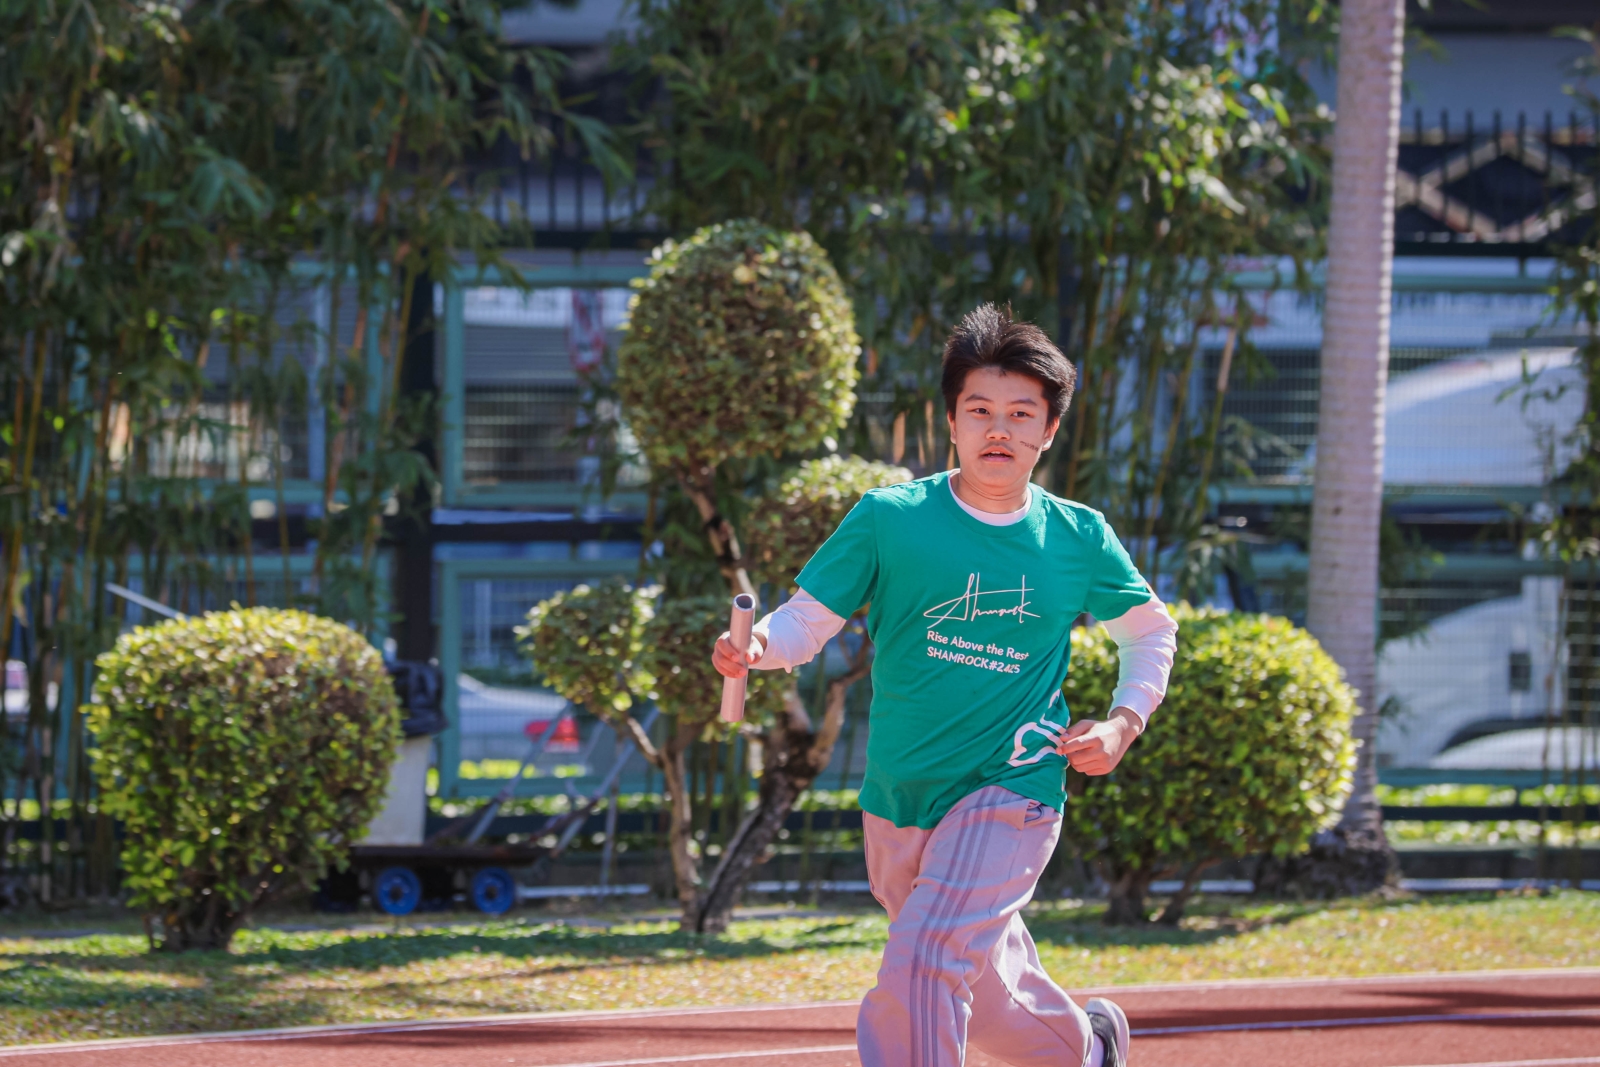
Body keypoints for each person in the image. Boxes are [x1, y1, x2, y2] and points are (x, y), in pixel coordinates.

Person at [712, 304, 1178, 1067]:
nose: (1000, 429)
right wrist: (755, 645)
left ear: (1050, 430)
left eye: (1021, 413)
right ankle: (1090, 1051)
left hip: (1013, 785)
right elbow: (806, 620)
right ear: (951, 421)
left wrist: (1123, 722)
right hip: (900, 794)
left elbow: (1150, 631)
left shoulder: (1078, 535)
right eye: (980, 409)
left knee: (928, 957)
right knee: (980, 988)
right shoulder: (889, 518)